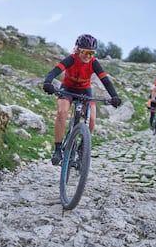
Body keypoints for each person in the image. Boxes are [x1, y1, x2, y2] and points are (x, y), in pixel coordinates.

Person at [43, 34, 121, 165]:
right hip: (67, 89)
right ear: (78, 50)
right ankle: (57, 150)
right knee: (62, 112)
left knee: (92, 119)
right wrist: (47, 83)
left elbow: (105, 81)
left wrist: (114, 96)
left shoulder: (94, 63)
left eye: (92, 52)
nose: (88, 55)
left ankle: (82, 147)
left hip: (85, 91)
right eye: (85, 51)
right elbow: (53, 72)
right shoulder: (71, 59)